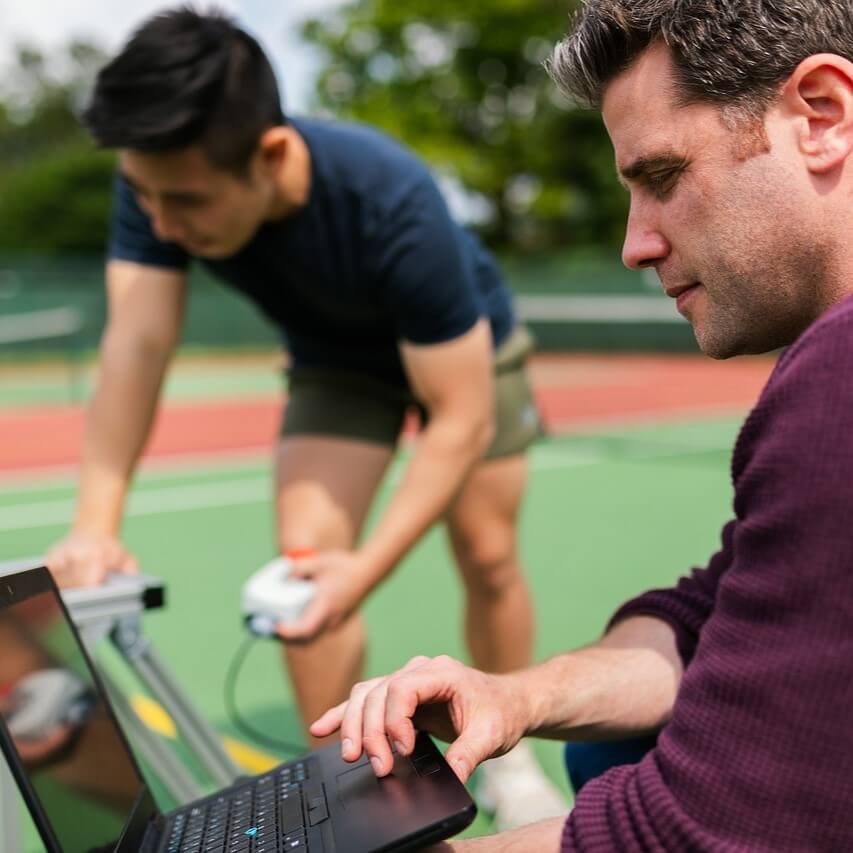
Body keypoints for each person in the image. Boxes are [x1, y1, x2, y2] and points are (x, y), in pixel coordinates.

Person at [310, 0, 853, 849]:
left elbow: (693, 834)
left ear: (819, 115)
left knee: (620, 764)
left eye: (663, 176)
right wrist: (515, 694)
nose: (636, 243)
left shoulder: (838, 376)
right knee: (612, 739)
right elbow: (705, 608)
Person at [43, 6, 565, 830]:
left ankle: (511, 755)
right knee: (305, 579)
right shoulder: (156, 183)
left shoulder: (391, 198)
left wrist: (371, 566)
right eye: (144, 197)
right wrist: (94, 524)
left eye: (183, 201)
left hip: (465, 356)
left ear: (272, 154)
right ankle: (350, 793)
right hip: (337, 364)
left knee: (489, 554)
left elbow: (458, 418)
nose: (162, 224)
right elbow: (135, 345)